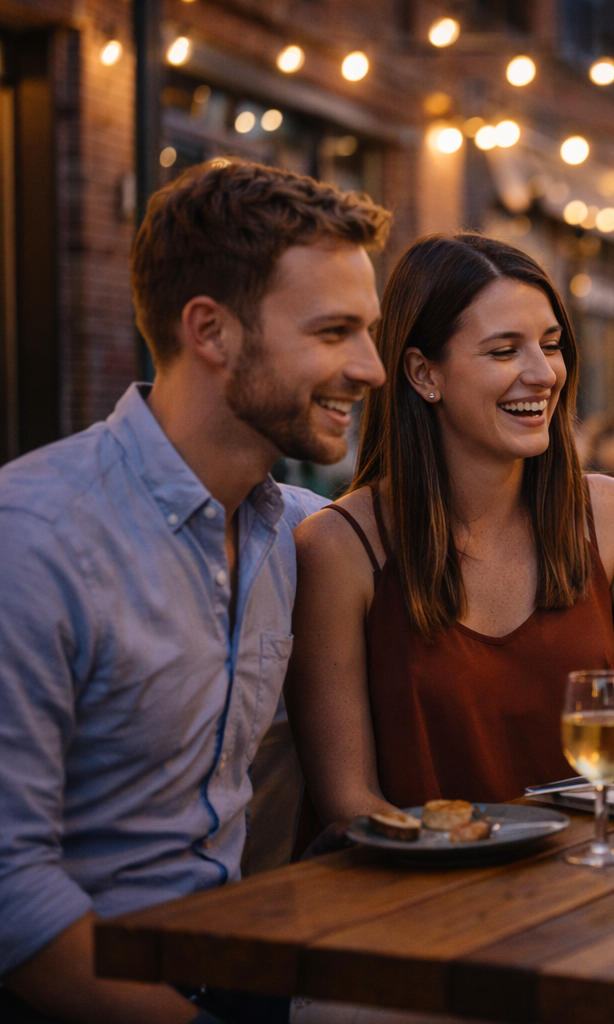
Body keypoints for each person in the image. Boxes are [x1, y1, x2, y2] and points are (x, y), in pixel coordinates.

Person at [0, 160, 389, 1023]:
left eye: (371, 332)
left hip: (254, 966)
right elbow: (8, 893)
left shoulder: (302, 534)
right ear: (210, 330)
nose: (371, 369)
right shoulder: (33, 539)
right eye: (334, 331)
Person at [284, 234, 614, 833]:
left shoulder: (609, 514)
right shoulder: (339, 548)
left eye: (551, 345)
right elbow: (348, 804)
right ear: (422, 373)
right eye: (503, 351)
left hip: (583, 888)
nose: (543, 374)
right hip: (423, 902)